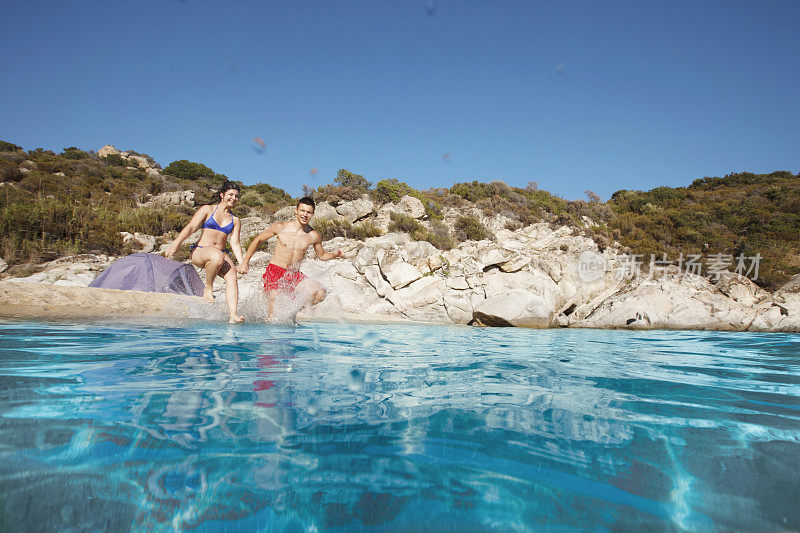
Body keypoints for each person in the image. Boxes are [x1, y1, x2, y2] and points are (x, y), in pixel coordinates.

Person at [238, 196, 344, 318]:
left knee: (320, 293)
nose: (305, 215)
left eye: (309, 212)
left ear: (312, 214)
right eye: (302, 211)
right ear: (296, 211)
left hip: (294, 275)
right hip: (275, 273)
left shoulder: (314, 235)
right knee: (275, 314)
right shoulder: (280, 227)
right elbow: (258, 240)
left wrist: (336, 254)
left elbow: (322, 255)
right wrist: (245, 262)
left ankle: (292, 308)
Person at [165, 180, 245, 323]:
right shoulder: (208, 210)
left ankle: (233, 315)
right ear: (222, 195)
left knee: (232, 276)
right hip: (201, 251)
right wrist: (175, 243)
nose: (234, 198)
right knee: (217, 256)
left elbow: (235, 242)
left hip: (220, 253)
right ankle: (208, 287)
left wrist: (242, 263)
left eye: (236, 196)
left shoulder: (235, 220)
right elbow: (191, 227)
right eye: (230, 194)